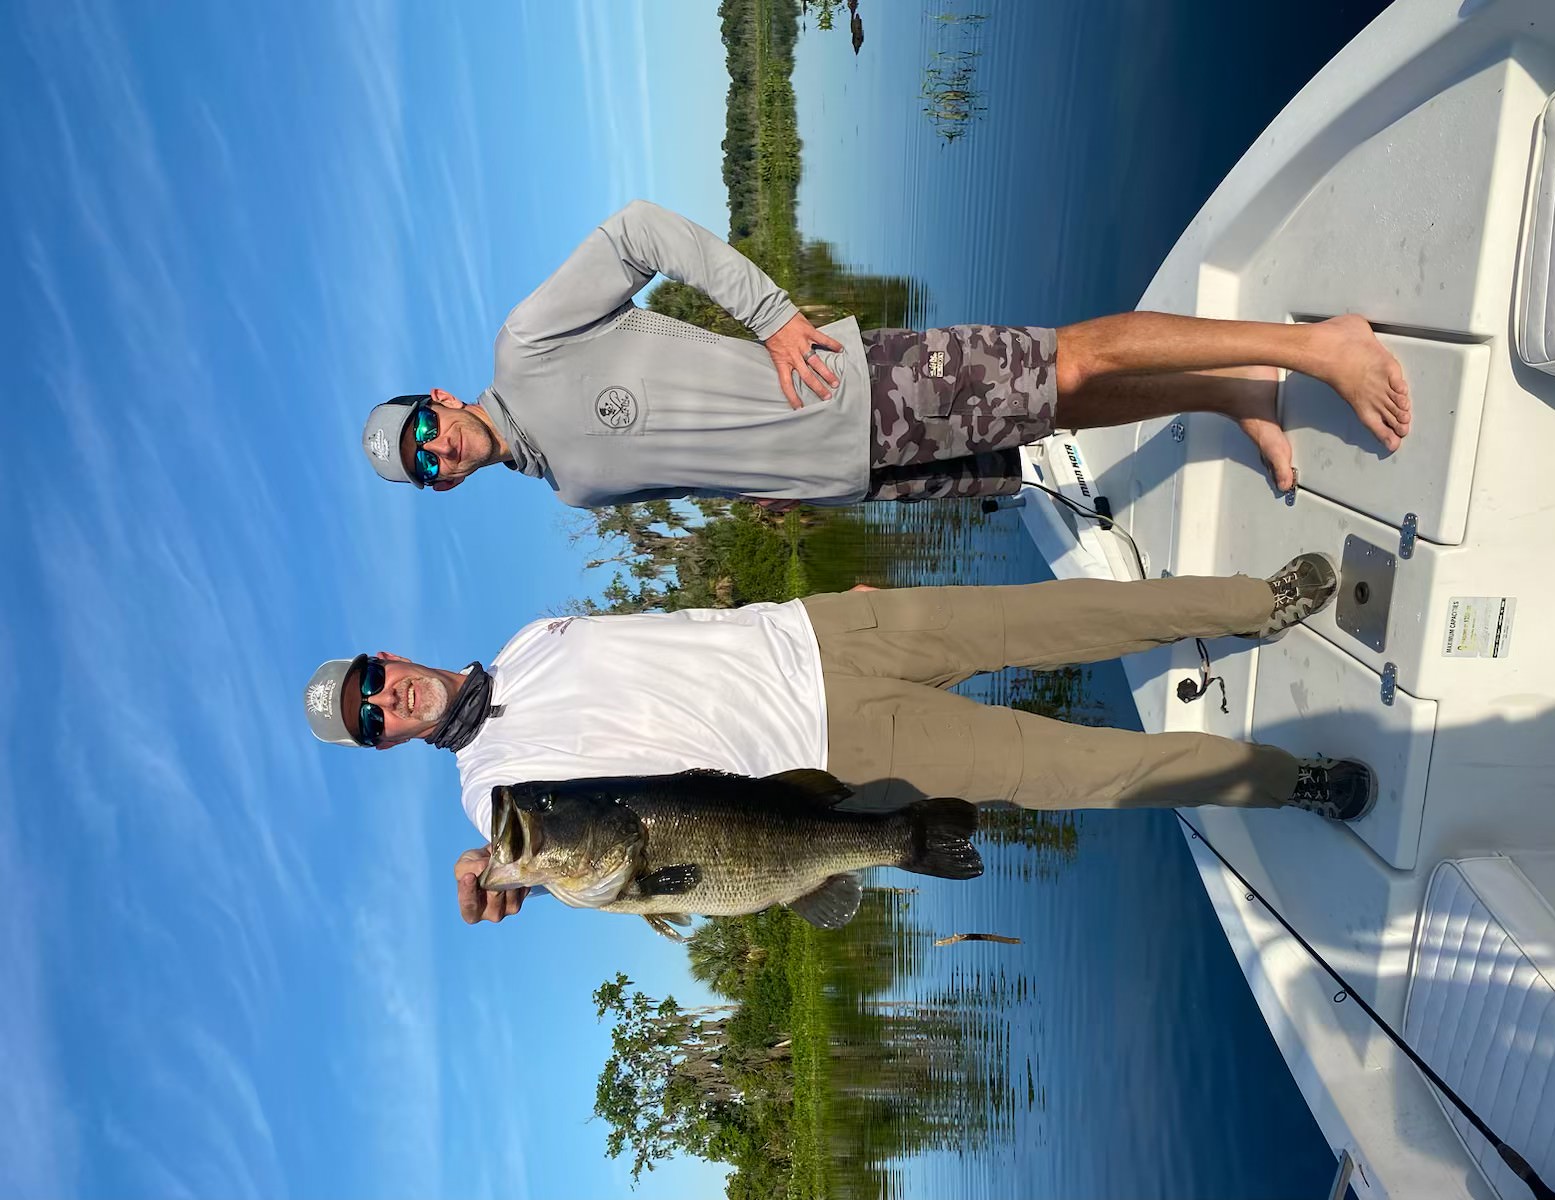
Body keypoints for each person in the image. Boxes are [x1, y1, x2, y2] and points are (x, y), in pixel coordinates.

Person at [302, 556, 1373, 926]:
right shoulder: (491, 789)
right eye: (372, 718)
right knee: (1085, 770)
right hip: (840, 742)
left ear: (388, 656)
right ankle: (1293, 781)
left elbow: (674, 643)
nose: (387, 697)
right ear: (387, 744)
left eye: (373, 679)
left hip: (830, 627)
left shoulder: (530, 637)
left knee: (1059, 612)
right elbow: (561, 852)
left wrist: (817, 603)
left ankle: (1258, 600)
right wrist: (497, 875)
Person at [359, 200, 1410, 507]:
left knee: (1069, 361)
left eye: (424, 430)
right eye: (425, 468)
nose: (438, 451)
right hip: (852, 473)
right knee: (1056, 417)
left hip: (852, 391)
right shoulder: (571, 491)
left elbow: (637, 232)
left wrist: (771, 316)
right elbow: (688, 454)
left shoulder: (524, 342)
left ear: (442, 399)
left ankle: (1311, 345)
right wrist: (763, 484)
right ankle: (1231, 390)